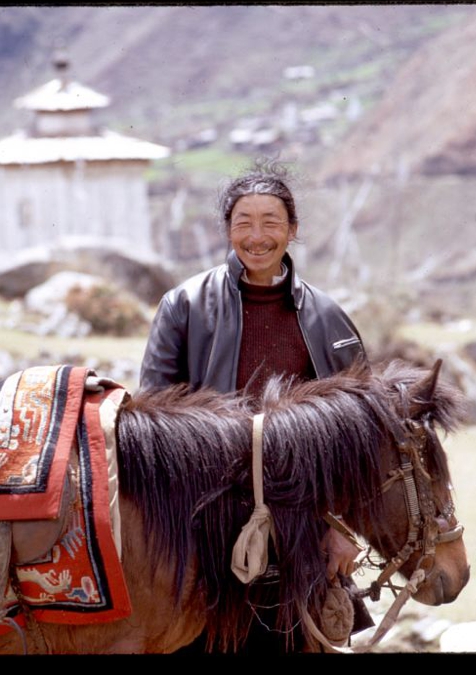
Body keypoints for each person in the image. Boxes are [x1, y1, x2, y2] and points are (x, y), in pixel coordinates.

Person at [139, 160, 371, 652]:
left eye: (271, 222)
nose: (257, 235)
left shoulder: (328, 317)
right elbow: (151, 420)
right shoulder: (184, 305)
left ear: (293, 230)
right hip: (203, 520)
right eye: (244, 222)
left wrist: (343, 528)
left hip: (300, 523)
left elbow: (359, 440)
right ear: (227, 230)